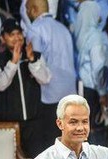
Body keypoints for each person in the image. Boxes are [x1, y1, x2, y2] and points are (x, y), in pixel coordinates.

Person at [0, 18, 51, 159]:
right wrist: (13, 62)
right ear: (3, 38)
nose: (17, 38)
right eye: (12, 34)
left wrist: (32, 61)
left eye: (19, 33)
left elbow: (46, 79)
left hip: (34, 123)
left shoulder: (35, 55)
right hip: (9, 124)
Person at [25, 0, 77, 147]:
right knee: (69, 142)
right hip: (70, 93)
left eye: (28, 10)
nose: (27, 14)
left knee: (51, 145)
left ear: (34, 10)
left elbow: (36, 61)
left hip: (49, 96)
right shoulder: (63, 29)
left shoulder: (35, 29)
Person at [74, 1, 108, 134]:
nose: (100, 18)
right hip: (93, 87)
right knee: (92, 127)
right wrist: (102, 92)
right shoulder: (96, 37)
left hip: (81, 85)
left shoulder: (79, 34)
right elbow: (98, 68)